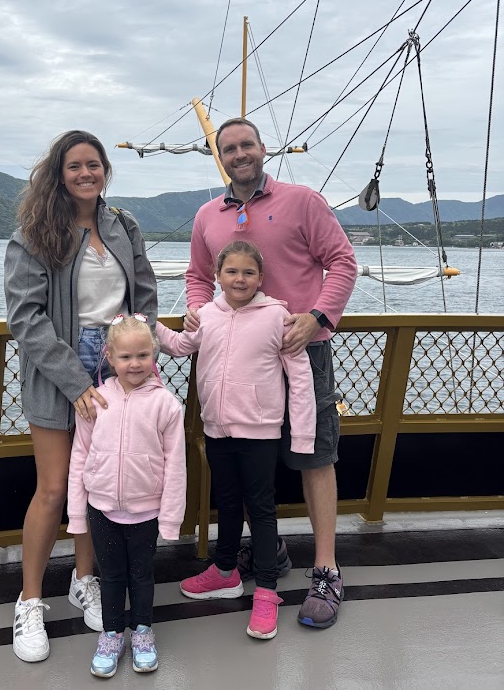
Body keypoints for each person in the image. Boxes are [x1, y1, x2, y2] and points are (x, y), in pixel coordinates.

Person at [184, 118, 356, 630]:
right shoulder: (207, 216)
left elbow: (342, 261)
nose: (239, 154)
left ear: (263, 149)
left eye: (247, 144)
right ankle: (259, 555)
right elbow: (196, 276)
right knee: (242, 456)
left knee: (314, 454)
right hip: (236, 360)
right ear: (221, 157)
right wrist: (197, 312)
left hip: (303, 351)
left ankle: (326, 570)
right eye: (229, 148)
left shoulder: (303, 200)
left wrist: (317, 318)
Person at [4, 130, 157, 663]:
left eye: (94, 165)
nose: (85, 173)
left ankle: (84, 579)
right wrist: (76, 383)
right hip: (57, 373)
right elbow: (25, 317)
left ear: (105, 171)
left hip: (116, 368)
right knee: (52, 490)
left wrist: (135, 358)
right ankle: (28, 602)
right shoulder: (35, 233)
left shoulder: (123, 227)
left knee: (96, 486)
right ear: (59, 173)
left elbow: (145, 297)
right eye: (75, 166)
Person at [157, 240, 315, 641]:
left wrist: (303, 434)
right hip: (216, 429)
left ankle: (266, 590)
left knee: (260, 509)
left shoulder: (277, 316)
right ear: (217, 276)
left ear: (261, 278)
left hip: (260, 433)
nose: (239, 279)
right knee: (225, 503)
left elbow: (300, 378)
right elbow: (178, 346)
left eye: (248, 272)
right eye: (231, 271)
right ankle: (225, 571)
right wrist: (147, 324)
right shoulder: (206, 315)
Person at [67, 314, 186, 678]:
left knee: (142, 575)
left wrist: (170, 518)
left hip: (146, 511)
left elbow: (175, 465)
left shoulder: (166, 404)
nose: (134, 364)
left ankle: (143, 630)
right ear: (109, 356)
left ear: (154, 355)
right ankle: (112, 632)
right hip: (101, 510)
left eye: (143, 355)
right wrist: (76, 512)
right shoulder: (96, 401)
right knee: (112, 576)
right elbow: (80, 457)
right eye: (125, 357)